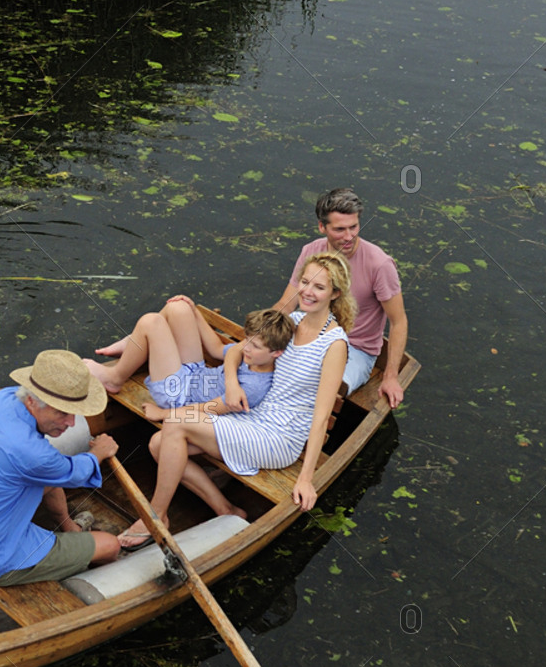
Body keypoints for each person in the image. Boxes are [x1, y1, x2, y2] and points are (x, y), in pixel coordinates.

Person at [118, 251, 355, 546]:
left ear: (335, 293)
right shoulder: (291, 320)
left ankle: (156, 516)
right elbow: (234, 353)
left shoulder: (334, 345)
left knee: (175, 426)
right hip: (251, 416)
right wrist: (231, 383)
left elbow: (320, 418)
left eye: (319, 287)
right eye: (305, 282)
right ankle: (225, 509)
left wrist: (306, 478)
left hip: (279, 438)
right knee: (159, 443)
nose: (307, 291)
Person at [0, 350, 122, 586]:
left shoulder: (0, 400)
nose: (72, 422)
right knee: (111, 545)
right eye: (62, 412)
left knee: (48, 477)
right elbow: (75, 471)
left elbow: (49, 469)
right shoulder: (32, 454)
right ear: (31, 401)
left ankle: (69, 529)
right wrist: (99, 452)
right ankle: (82, 574)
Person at [271, 187, 408, 408]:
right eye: (340, 229)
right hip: (310, 333)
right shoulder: (310, 251)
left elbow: (398, 321)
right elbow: (286, 303)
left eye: (354, 227)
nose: (349, 236)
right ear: (322, 227)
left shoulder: (379, 264)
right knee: (263, 361)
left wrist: (391, 376)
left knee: (324, 389)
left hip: (356, 349)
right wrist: (263, 332)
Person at [86, 298, 292, 422]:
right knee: (179, 307)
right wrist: (194, 310)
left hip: (178, 394)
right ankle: (134, 342)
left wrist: (164, 414)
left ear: (277, 353)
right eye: (246, 340)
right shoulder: (252, 355)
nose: (245, 347)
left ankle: (115, 378)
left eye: (255, 346)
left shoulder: (253, 388)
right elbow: (218, 348)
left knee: (151, 322)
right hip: (195, 373)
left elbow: (208, 409)